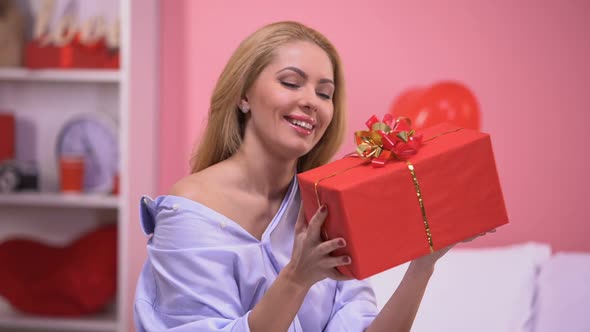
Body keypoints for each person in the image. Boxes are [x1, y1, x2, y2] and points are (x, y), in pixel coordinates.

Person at [134, 21, 490, 332]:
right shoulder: (191, 210)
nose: (312, 102)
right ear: (244, 95)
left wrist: (422, 265)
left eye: (324, 93)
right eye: (291, 83)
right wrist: (297, 277)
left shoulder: (329, 206)